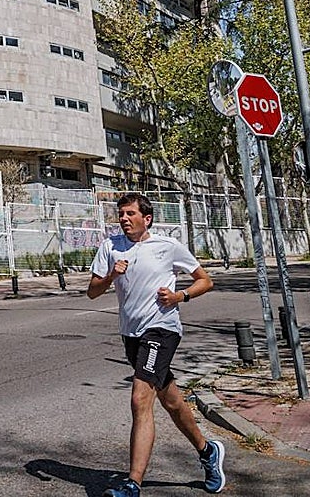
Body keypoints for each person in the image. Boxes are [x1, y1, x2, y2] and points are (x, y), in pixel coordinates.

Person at [87, 193, 226, 497]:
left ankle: (132, 484)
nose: (123, 219)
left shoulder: (167, 246)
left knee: (140, 400)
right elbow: (92, 292)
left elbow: (205, 280)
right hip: (131, 334)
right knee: (172, 401)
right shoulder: (110, 247)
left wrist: (180, 296)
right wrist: (112, 274)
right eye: (121, 214)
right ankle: (207, 451)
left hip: (161, 329)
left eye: (130, 214)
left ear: (146, 218)